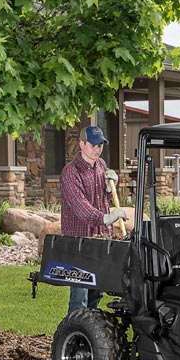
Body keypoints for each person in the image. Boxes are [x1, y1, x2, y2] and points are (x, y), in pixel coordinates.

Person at [60, 125, 126, 315]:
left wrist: (110, 187)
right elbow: (81, 208)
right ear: (82, 144)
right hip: (79, 242)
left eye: (100, 145)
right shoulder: (70, 173)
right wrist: (106, 218)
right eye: (93, 145)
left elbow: (102, 197)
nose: (97, 149)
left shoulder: (101, 165)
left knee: (96, 291)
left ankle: (91, 326)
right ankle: (75, 328)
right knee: (80, 294)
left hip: (100, 238)